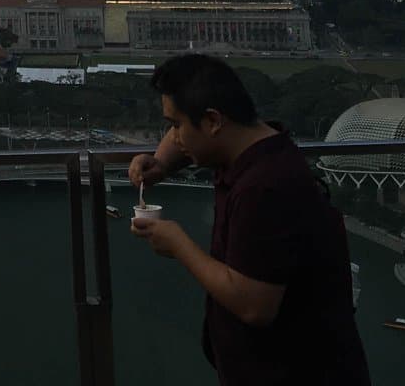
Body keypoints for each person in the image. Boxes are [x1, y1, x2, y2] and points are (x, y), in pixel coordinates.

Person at [127, 54, 369, 386]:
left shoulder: (265, 188)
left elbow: (255, 303)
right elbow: (191, 136)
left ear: (213, 121)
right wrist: (161, 163)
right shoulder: (254, 142)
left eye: (175, 125)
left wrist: (178, 244)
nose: (175, 136)